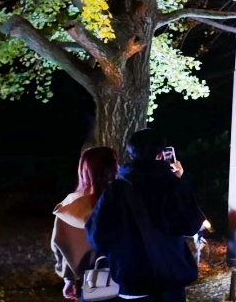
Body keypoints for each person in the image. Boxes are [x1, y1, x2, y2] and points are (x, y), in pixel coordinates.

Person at [88, 129, 206, 302]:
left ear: (131, 153)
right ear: (161, 154)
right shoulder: (172, 186)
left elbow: (97, 236)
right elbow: (191, 225)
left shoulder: (116, 189)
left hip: (131, 278)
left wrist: (121, 253)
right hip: (169, 276)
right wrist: (179, 181)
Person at [53, 146, 118, 300]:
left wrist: (69, 279)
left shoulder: (70, 207)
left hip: (92, 284)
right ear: (112, 168)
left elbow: (62, 247)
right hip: (128, 279)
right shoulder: (122, 200)